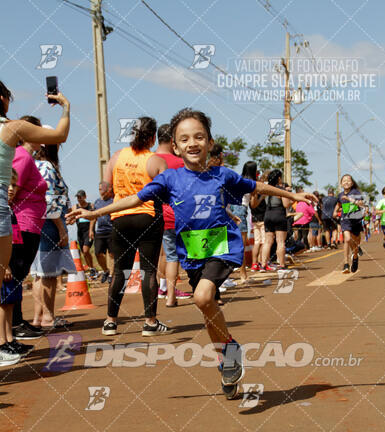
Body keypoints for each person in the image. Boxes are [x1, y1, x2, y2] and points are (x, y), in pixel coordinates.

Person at [67, 107, 316, 397]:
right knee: (207, 309)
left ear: (210, 142)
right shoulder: (169, 180)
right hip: (193, 253)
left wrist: (293, 195)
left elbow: (258, 185)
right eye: (184, 139)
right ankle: (228, 355)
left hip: (223, 246)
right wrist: (94, 211)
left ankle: (229, 353)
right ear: (175, 146)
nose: (192, 143)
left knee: (202, 297)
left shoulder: (222, 175)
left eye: (199, 137)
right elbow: (133, 199)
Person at [0, 82, 70, 304]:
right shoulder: (12, 128)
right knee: (4, 274)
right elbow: (60, 135)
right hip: (11, 213)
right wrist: (65, 106)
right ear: (3, 99)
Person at [99, 117, 168, 336]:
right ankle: (150, 322)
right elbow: (165, 193)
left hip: (120, 217)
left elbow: (104, 190)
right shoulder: (156, 160)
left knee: (120, 270)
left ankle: (110, 321)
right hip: (148, 217)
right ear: (153, 137)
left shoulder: (117, 156)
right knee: (149, 271)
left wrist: (117, 189)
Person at [30, 140, 76, 328]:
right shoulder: (48, 166)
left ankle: (38, 318)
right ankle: (48, 317)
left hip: (38, 223)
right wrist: (61, 228)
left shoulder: (35, 164)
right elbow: (50, 200)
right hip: (50, 224)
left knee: (39, 274)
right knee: (48, 274)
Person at [155, 123, 191, 306]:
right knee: (179, 256)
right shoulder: (179, 162)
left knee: (164, 255)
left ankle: (164, 292)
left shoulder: (150, 159)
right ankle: (172, 295)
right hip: (177, 215)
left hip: (154, 214)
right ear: (172, 140)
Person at [0, 169, 30, 366]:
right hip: (6, 265)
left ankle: (10, 339)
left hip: (15, 263)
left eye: (14, 185)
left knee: (11, 302)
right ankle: (2, 342)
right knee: (3, 303)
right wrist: (5, 265)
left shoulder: (10, 210)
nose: (11, 189)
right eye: (8, 185)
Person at [253, 169, 291, 271]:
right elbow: (286, 204)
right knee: (280, 241)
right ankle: (282, 264)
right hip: (279, 214)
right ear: (279, 178)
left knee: (268, 242)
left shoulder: (266, 190)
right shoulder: (281, 189)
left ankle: (263, 264)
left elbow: (257, 202)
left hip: (268, 215)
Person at [229, 161, 257, 283]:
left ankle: (237, 272)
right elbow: (254, 205)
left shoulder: (238, 180)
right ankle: (243, 275)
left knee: (235, 243)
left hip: (231, 210)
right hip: (241, 211)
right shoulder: (251, 184)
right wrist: (259, 196)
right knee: (241, 245)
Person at [333, 173, 365, 274]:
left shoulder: (356, 192)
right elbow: (338, 204)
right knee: (347, 239)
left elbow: (361, 204)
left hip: (356, 219)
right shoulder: (340, 195)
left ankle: (355, 258)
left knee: (355, 242)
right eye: (344, 180)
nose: (346, 182)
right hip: (345, 220)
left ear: (352, 183)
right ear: (341, 184)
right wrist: (335, 212)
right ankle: (346, 264)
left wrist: (350, 199)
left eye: (348, 180)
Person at [89, 182, 114, 283]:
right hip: (100, 231)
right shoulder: (97, 202)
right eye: (99, 189)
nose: (100, 191)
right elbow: (93, 217)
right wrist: (91, 230)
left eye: (102, 189)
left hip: (112, 231)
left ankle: (111, 275)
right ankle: (106, 270)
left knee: (112, 254)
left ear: (108, 190)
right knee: (98, 253)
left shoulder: (113, 201)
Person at [74, 190, 96, 279]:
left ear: (85, 197)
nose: (79, 199)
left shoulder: (90, 206)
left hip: (88, 231)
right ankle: (91, 268)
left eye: (80, 197)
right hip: (80, 232)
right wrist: (69, 221)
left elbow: (93, 218)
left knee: (86, 250)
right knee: (84, 253)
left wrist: (91, 231)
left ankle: (92, 269)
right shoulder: (75, 207)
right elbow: (73, 218)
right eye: (78, 197)